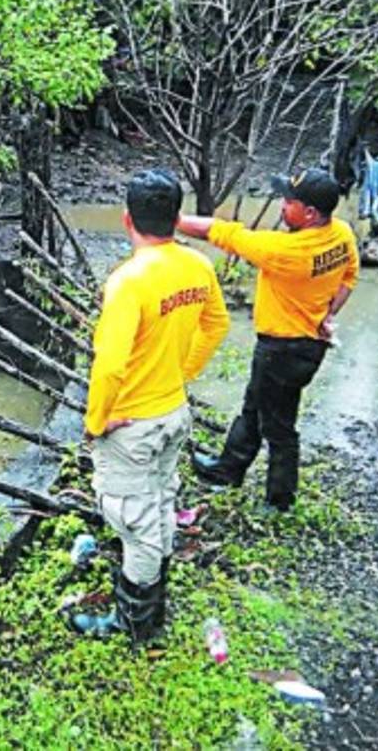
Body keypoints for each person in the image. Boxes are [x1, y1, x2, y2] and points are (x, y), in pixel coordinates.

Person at [71, 169, 229, 646]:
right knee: (159, 501)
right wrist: (182, 373)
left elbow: (109, 365)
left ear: (127, 219)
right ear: (177, 219)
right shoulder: (197, 265)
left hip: (133, 425)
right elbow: (216, 325)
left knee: (136, 522)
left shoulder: (128, 282)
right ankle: (153, 605)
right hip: (173, 413)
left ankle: (136, 624)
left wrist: (96, 420)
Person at [176, 167, 359, 513]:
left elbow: (222, 233)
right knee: (255, 405)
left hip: (282, 349)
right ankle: (228, 469)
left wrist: (172, 220)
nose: (281, 206)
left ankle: (279, 499)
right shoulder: (341, 234)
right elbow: (350, 276)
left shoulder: (285, 251)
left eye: (288, 202)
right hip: (309, 344)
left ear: (309, 213)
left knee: (278, 426)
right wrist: (327, 314)